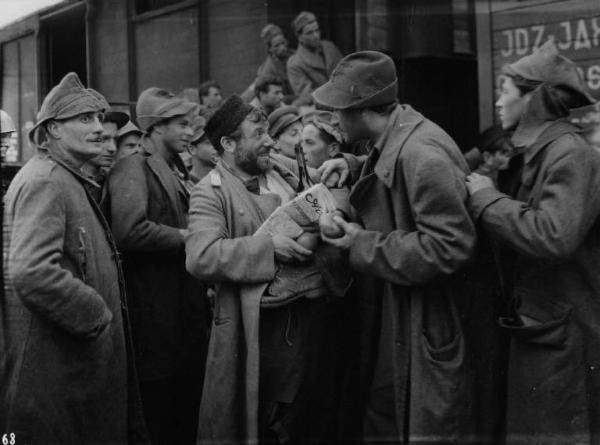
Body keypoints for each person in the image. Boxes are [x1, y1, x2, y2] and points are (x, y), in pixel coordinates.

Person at [314, 51, 479, 442]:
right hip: (406, 316)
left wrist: (360, 243)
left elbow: (449, 246)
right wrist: (356, 167)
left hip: (428, 322)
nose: (334, 120)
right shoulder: (400, 134)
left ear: (360, 109)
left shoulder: (422, 154)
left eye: (337, 109)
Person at [185, 95, 349, 444]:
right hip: (261, 333)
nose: (271, 140)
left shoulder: (281, 169)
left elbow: (318, 202)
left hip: (311, 319)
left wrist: (328, 219)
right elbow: (200, 256)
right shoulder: (209, 193)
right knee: (273, 422)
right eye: (259, 133)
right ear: (228, 144)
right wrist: (268, 247)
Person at [1, 72, 147, 444]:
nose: (99, 128)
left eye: (99, 118)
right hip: (56, 376)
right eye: (85, 119)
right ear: (52, 130)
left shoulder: (64, 177)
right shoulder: (46, 181)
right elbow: (32, 272)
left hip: (69, 369)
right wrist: (96, 314)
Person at [465, 40, 600, 444]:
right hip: (542, 330)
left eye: (506, 92)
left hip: (564, 338)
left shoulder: (571, 155)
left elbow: (554, 235)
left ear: (535, 100)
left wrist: (488, 199)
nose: (499, 103)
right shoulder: (542, 152)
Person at [108, 87, 211, 445]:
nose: (189, 132)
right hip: (154, 317)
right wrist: (187, 236)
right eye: (181, 125)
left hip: (179, 317)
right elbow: (129, 230)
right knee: (160, 416)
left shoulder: (171, 169)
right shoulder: (132, 166)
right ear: (155, 127)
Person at [287, 11, 343, 107]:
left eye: (317, 30)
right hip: (322, 110)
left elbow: (346, 70)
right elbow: (309, 96)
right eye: (310, 33)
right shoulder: (295, 64)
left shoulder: (329, 46)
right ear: (299, 37)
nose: (316, 36)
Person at [241, 24, 296, 105]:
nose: (282, 48)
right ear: (270, 49)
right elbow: (256, 90)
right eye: (277, 46)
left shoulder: (294, 55)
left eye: (283, 43)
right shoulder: (268, 70)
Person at [188, 118, 218, 183]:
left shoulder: (223, 180)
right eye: (209, 143)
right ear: (192, 149)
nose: (217, 147)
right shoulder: (186, 184)